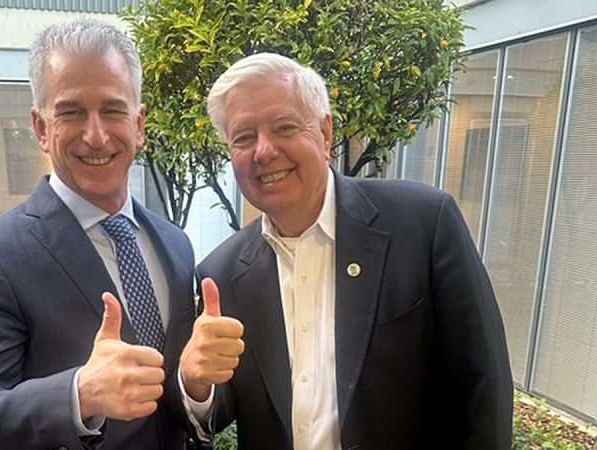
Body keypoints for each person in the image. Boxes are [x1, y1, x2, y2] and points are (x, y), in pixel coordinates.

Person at [178, 53, 514, 450]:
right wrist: (195, 383)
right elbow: (222, 408)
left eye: (285, 127)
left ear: (325, 133)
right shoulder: (222, 272)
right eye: (244, 138)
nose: (264, 151)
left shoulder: (423, 224)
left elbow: (484, 384)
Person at [0, 18, 197, 450]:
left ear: (139, 124)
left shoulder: (175, 244)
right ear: (41, 128)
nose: (95, 136)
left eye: (112, 110)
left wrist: (197, 387)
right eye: (72, 112)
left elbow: (174, 397)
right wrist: (80, 394)